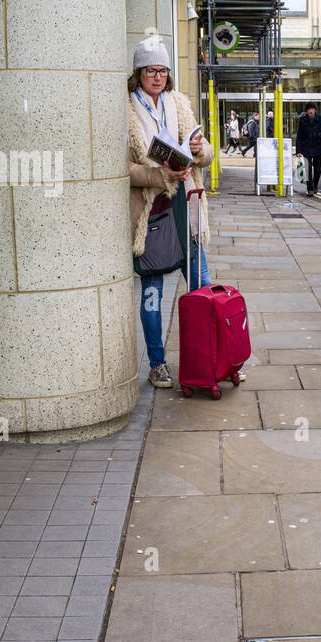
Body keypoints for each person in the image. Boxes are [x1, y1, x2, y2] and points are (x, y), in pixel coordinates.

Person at [127, 34, 214, 389]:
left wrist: (198, 148)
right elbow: (123, 170)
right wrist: (159, 174)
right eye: (151, 71)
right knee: (152, 292)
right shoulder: (127, 110)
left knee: (202, 284)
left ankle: (210, 357)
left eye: (163, 71)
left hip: (186, 204)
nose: (158, 77)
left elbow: (205, 152)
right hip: (151, 210)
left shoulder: (178, 102)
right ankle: (157, 363)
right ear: (138, 74)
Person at [294, 103, 321, 195]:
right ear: (306, 111)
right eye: (309, 109)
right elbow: (299, 136)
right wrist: (298, 150)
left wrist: (319, 135)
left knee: (318, 169)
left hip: (317, 147)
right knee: (308, 169)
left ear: (315, 110)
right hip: (306, 147)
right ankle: (310, 189)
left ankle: (315, 185)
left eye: (312, 109)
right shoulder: (303, 120)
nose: (310, 111)